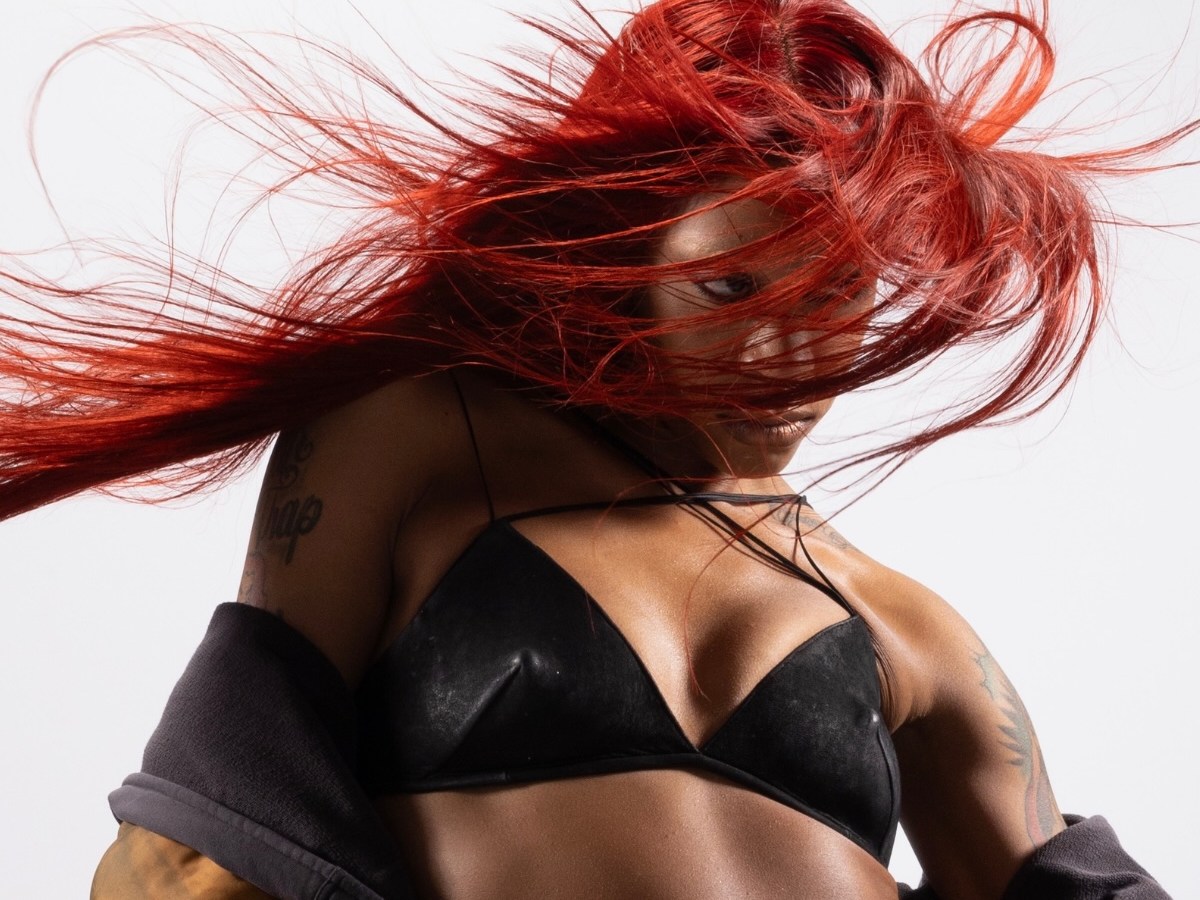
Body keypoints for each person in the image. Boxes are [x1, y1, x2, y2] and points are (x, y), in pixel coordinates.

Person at [0, 0, 1194, 897]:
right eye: (729, 285)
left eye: (837, 303)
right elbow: (209, 830)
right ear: (631, 242)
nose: (783, 358)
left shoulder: (910, 632)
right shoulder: (431, 435)